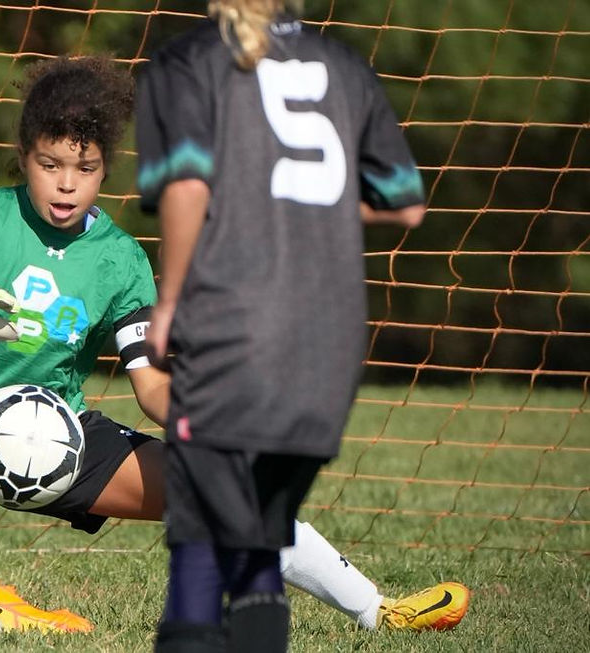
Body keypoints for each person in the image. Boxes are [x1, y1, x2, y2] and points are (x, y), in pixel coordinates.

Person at [0, 54, 467, 637]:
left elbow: (151, 381)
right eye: (50, 165)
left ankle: (378, 611)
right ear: (24, 156)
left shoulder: (119, 260)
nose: (66, 185)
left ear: (105, 169)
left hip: (59, 438)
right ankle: (0, 624)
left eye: (84, 170)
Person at [136, 1, 467, 651]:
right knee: (260, 538)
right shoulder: (344, 64)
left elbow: (186, 187)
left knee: (200, 542)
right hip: (330, 340)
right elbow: (405, 205)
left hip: (234, 326)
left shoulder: (188, 60)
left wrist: (169, 300)